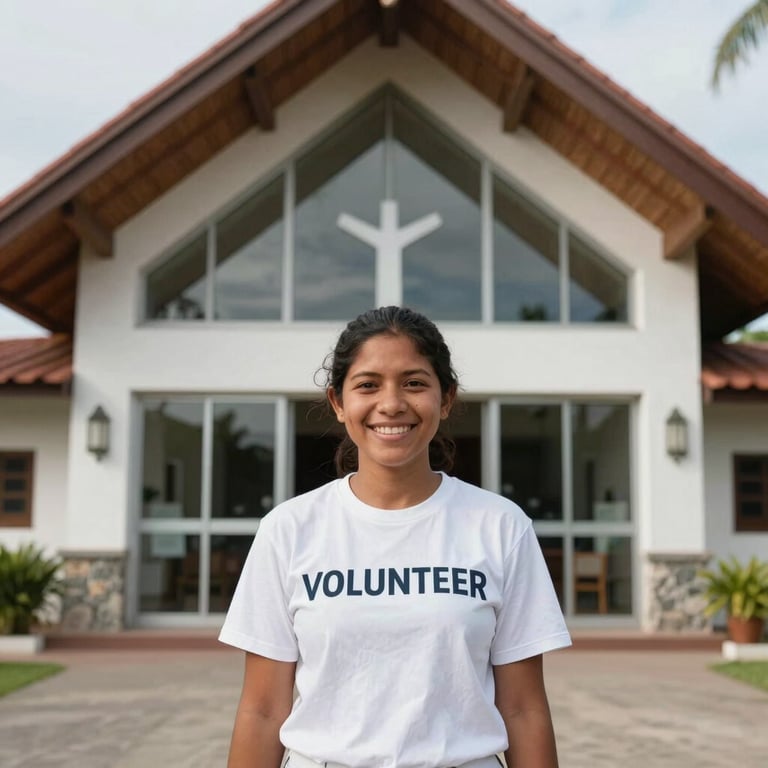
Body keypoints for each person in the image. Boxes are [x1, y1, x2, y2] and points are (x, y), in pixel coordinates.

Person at [219, 306, 571, 768]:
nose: (391, 404)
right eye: (367, 385)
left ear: (446, 399)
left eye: (414, 383)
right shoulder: (289, 529)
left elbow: (524, 709)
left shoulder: (500, 526)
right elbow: (263, 711)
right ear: (338, 402)